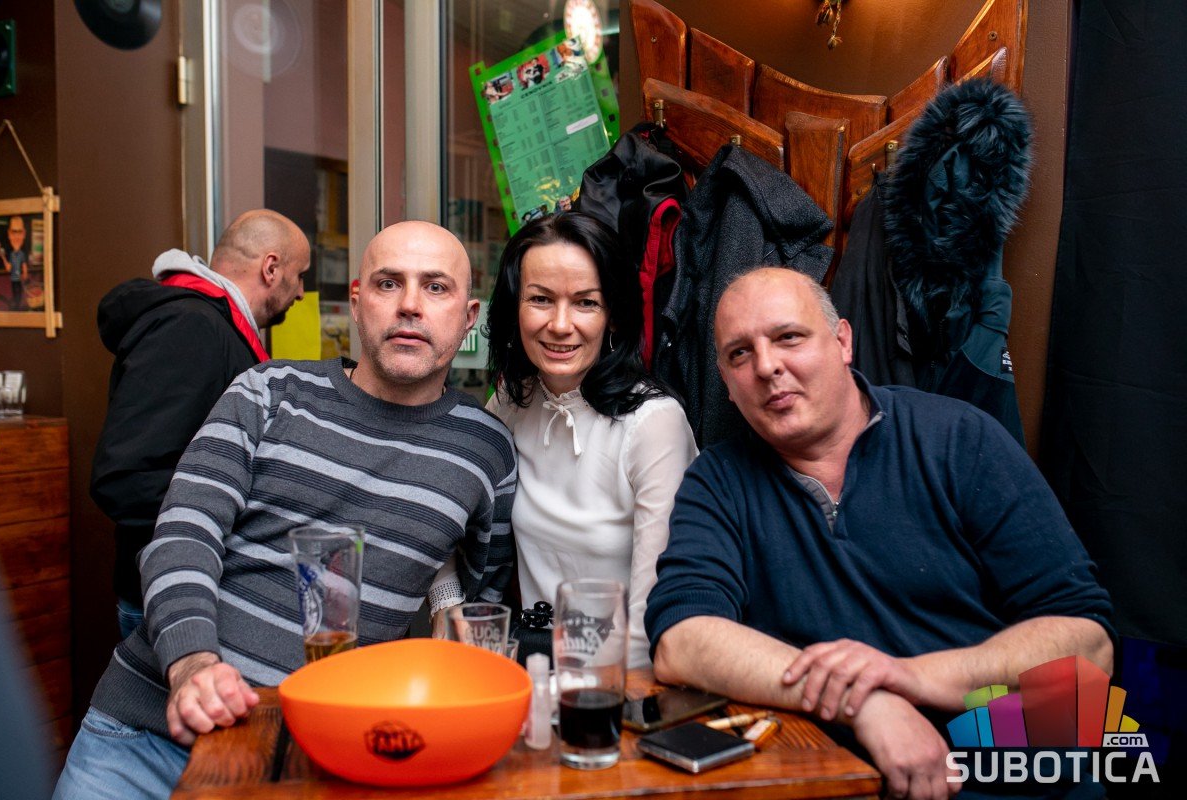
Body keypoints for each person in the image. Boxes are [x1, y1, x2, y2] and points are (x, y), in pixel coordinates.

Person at [54, 221, 517, 800]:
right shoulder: (268, 391)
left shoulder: (485, 451)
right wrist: (193, 665)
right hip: (148, 740)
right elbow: (183, 535)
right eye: (387, 283)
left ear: (470, 316)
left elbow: (479, 606)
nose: (409, 305)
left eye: (436, 287)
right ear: (356, 300)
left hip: (322, 759)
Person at [645, 267, 1115, 798]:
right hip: (845, 784)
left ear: (843, 342)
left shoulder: (959, 438)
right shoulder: (717, 481)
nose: (767, 366)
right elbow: (683, 640)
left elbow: (1088, 645)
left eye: (789, 337)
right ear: (727, 384)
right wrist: (864, 700)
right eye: (739, 354)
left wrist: (907, 677)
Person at [485, 212, 696, 666]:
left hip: (620, 679)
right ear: (515, 308)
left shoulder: (654, 423)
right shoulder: (511, 401)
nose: (560, 325)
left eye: (585, 303)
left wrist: (615, 697)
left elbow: (653, 611)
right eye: (541, 299)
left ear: (613, 317)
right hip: (533, 666)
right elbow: (456, 510)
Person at [90, 209, 312, 639]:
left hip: (197, 589)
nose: (301, 292)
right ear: (271, 268)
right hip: (172, 597)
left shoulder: (212, 326)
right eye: (299, 275)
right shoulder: (192, 327)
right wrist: (242, 517)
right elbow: (126, 478)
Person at [6, 215, 30, 310]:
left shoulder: (23, 254)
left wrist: (25, 273)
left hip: (19, 279)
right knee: (15, 293)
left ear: (24, 234)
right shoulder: (10, 254)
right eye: (13, 232)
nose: (16, 236)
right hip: (13, 279)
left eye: (19, 232)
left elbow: (24, 265)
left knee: (19, 294)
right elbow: (9, 267)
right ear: (9, 234)